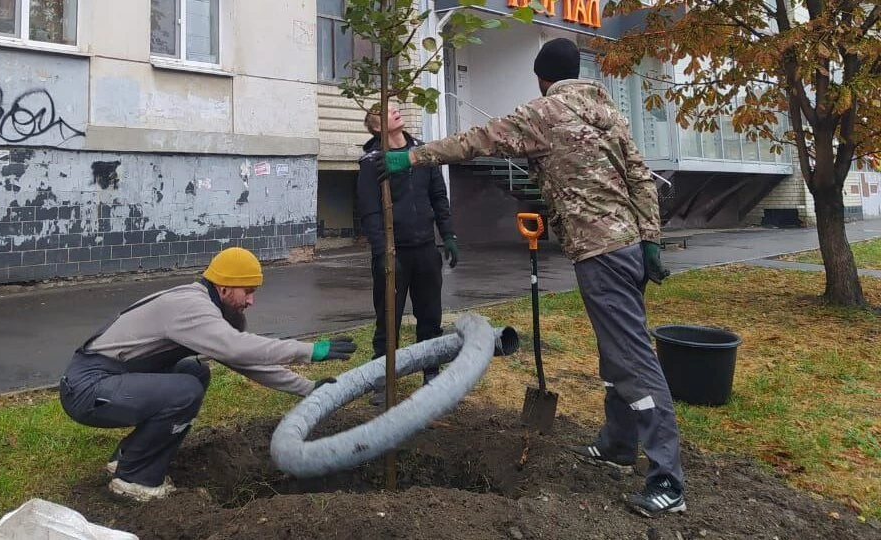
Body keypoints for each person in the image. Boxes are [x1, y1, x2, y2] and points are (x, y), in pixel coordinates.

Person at [372, 37, 684, 517]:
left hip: (600, 250)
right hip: (628, 248)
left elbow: (478, 140)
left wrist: (410, 157)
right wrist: (651, 240)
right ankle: (618, 444)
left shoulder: (545, 113)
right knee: (616, 352)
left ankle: (667, 480)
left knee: (633, 360)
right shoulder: (608, 112)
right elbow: (640, 176)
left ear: (542, 78)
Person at [59, 247, 356, 501]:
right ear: (225, 288)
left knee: (194, 372)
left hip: (107, 381)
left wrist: (307, 388)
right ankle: (134, 481)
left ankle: (128, 459)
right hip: (88, 388)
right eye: (248, 292)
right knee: (184, 390)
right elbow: (239, 348)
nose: (251, 301)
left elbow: (244, 361)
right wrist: (308, 350)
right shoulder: (191, 307)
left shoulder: (203, 304)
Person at [356, 102, 458, 405]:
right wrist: (381, 253)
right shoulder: (372, 162)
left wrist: (448, 234)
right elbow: (370, 211)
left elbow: (438, 195)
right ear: (376, 127)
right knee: (388, 318)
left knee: (430, 316)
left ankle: (431, 373)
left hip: (426, 248)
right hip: (393, 252)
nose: (396, 110)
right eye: (387, 111)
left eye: (396, 107)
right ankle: (383, 380)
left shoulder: (422, 153)